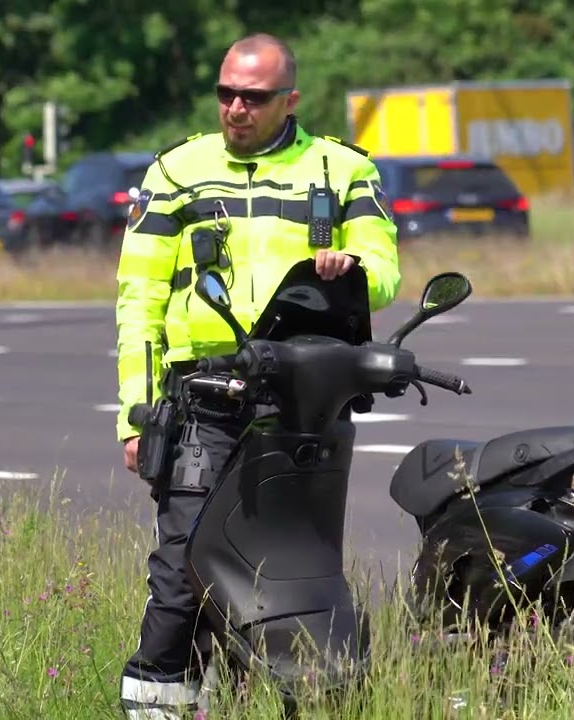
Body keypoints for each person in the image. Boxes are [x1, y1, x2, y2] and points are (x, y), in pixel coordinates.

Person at [113, 32, 401, 719]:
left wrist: (354, 271)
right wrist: (136, 413)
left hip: (298, 402)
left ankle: (290, 698)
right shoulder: (177, 171)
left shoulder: (341, 169)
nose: (236, 109)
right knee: (186, 569)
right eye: (226, 94)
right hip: (201, 400)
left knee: (288, 569)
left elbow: (386, 272)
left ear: (289, 100)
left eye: (254, 97)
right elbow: (138, 299)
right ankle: (155, 700)